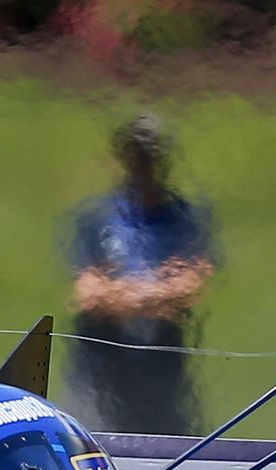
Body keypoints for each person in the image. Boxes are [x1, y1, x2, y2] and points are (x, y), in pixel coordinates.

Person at [62, 114, 220, 435]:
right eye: (137, 156)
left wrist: (121, 291)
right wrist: (155, 290)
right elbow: (88, 297)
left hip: (162, 374)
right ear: (124, 158)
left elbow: (191, 286)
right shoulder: (96, 219)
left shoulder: (184, 219)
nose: (144, 165)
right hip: (103, 371)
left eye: (150, 156)